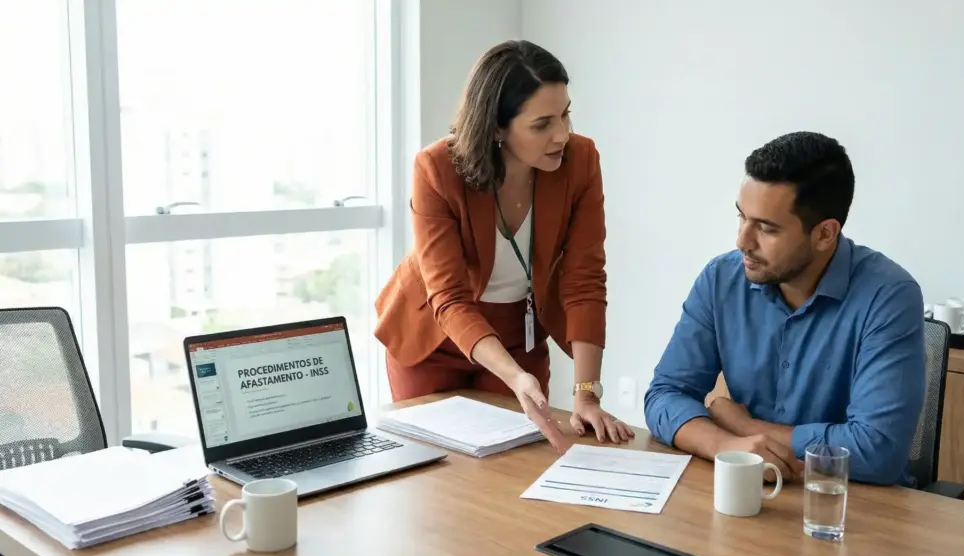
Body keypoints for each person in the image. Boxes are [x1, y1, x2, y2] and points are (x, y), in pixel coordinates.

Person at [374, 40, 634, 453]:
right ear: (496, 126)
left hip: (518, 334)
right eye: (542, 124)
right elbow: (449, 297)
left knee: (519, 467)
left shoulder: (581, 161)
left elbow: (584, 280)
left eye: (565, 114)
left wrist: (586, 394)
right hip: (433, 339)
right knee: (438, 476)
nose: (562, 134)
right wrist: (514, 377)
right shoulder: (437, 169)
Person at [643, 131, 925, 487]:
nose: (742, 240)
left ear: (824, 234)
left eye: (766, 228)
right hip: (752, 490)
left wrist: (745, 426)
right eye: (741, 217)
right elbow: (664, 396)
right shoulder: (721, 279)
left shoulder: (889, 296)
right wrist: (729, 446)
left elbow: (877, 450)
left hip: (851, 508)